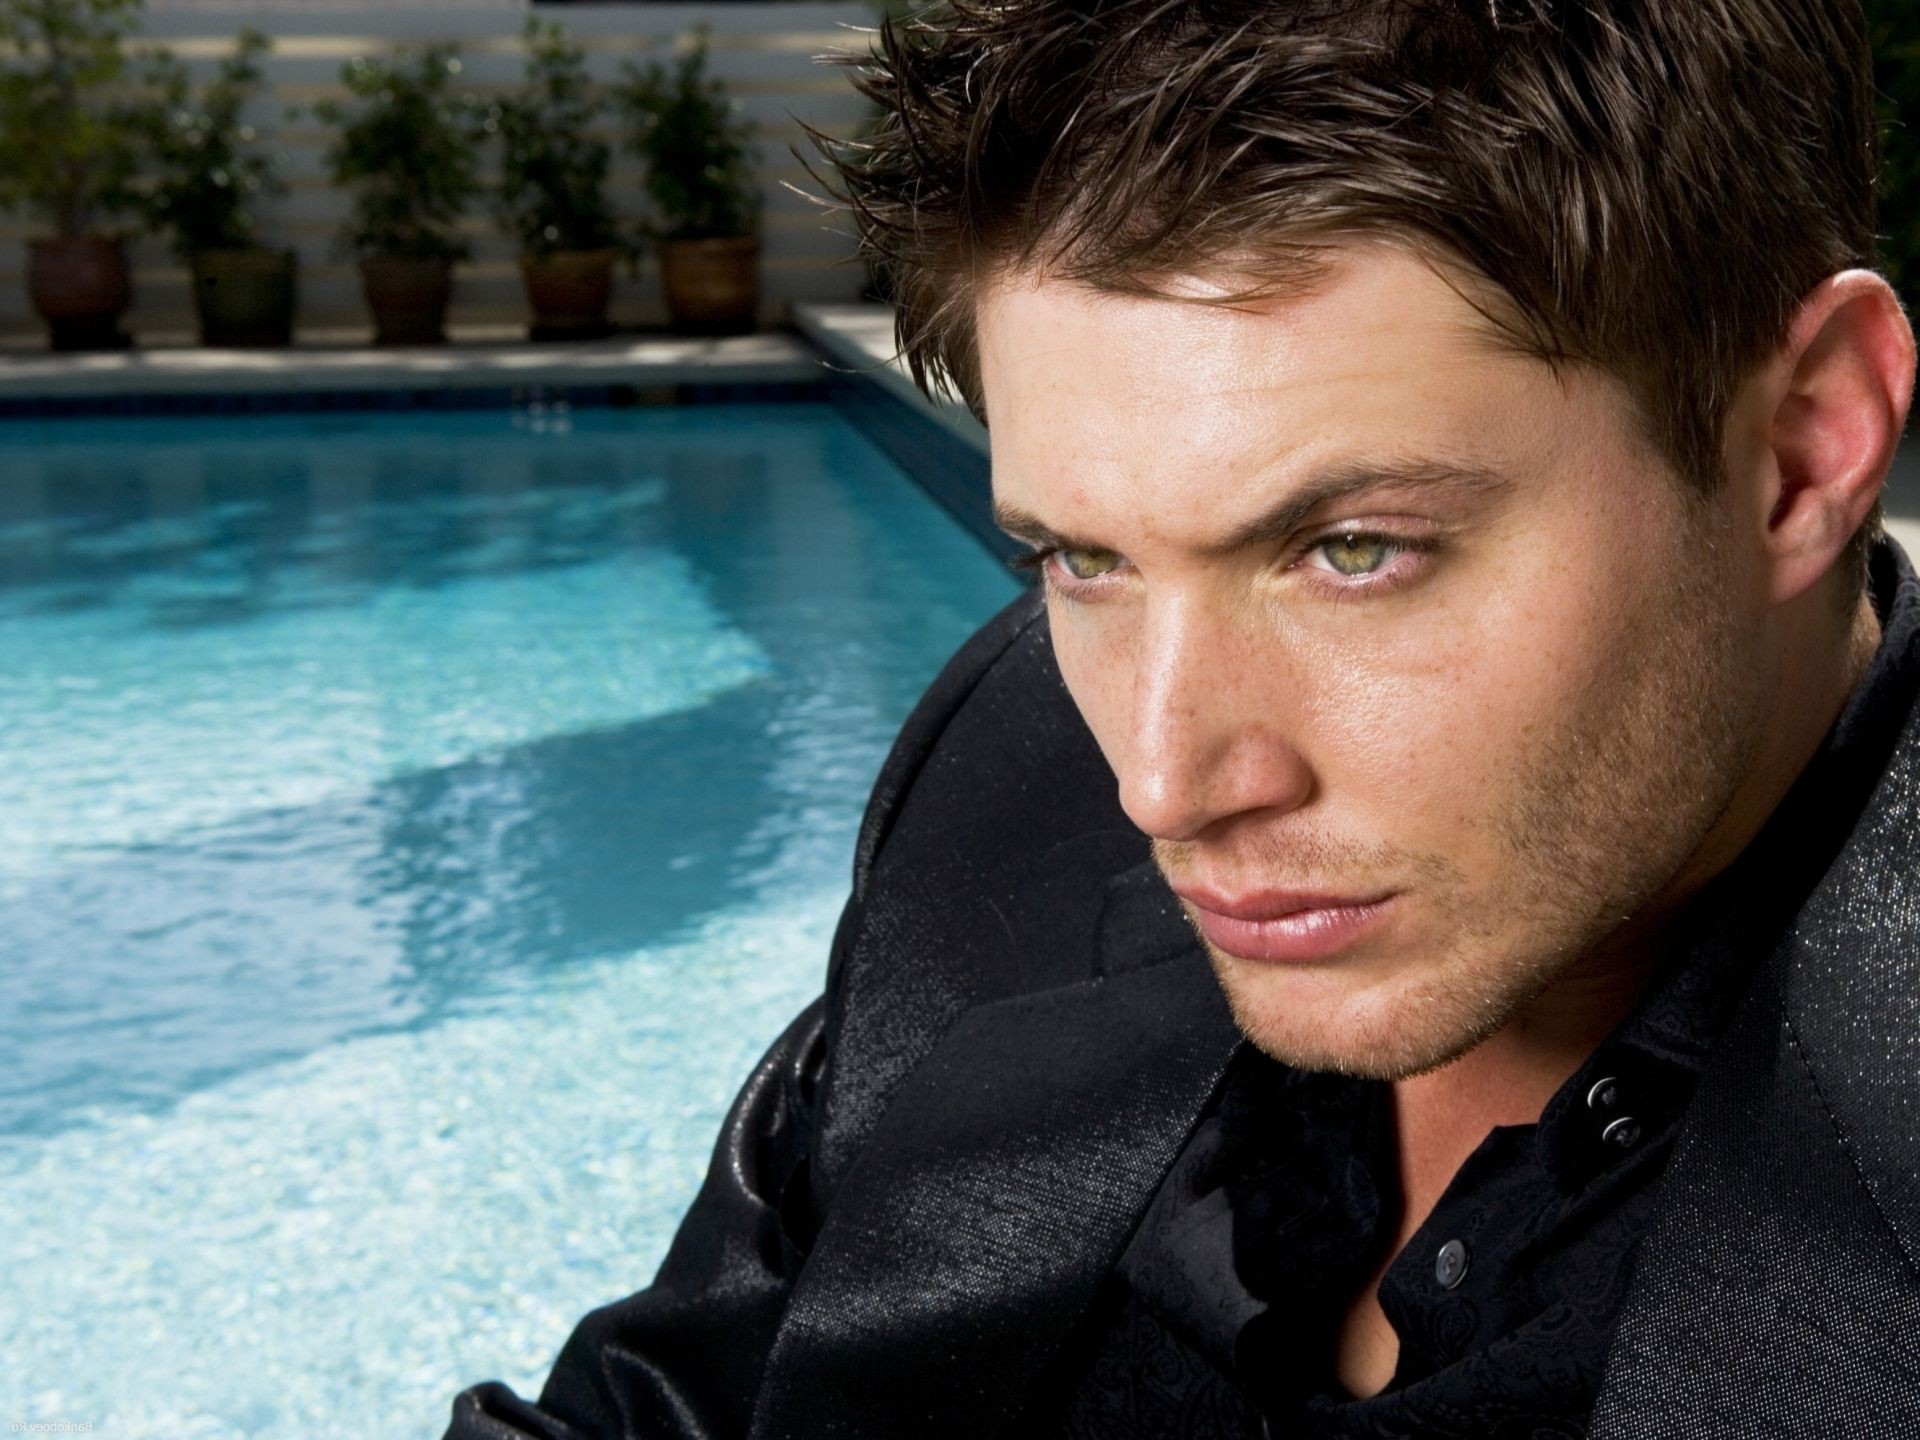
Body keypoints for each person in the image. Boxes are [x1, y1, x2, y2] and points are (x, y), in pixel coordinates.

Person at [445, 1, 1920, 1434]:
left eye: (1355, 551)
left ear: (1801, 449)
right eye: (1085, 559)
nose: (1161, 783)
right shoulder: (1006, 769)